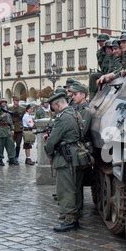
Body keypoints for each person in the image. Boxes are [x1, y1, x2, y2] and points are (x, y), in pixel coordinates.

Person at [44, 91, 85, 232]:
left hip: (66, 158)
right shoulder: (76, 114)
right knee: (76, 188)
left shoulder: (62, 118)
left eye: (53, 107)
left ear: (57, 104)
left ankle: (70, 220)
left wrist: (48, 151)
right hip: (78, 155)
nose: (53, 111)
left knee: (66, 189)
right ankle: (75, 215)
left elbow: (51, 142)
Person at [0, 99, 17, 166]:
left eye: (5, 102)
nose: (4, 103)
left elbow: (10, 121)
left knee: (11, 145)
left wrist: (12, 129)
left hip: (7, 130)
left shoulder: (7, 111)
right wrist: (2, 116)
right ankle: (0, 160)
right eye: (3, 102)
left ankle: (11, 158)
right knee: (0, 147)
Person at [10, 96, 25, 161]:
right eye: (15, 101)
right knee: (11, 143)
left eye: (17, 101)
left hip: (19, 128)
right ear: (13, 101)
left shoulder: (22, 109)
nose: (16, 102)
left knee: (18, 143)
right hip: (12, 128)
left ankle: (17, 156)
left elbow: (24, 117)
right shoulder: (10, 108)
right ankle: (11, 156)